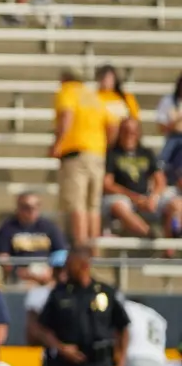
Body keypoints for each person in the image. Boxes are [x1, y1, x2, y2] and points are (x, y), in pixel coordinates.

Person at [54, 71, 112, 245]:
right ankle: (93, 250)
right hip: (97, 153)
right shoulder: (93, 96)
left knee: (77, 204)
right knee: (93, 206)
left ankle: (81, 250)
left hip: (75, 152)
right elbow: (111, 125)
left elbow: (67, 117)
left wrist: (57, 143)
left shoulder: (67, 91)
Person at [103, 117, 178, 238]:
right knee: (118, 205)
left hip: (146, 198)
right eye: (125, 131)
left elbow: (160, 180)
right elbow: (107, 184)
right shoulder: (112, 153)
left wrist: (153, 197)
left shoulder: (146, 152)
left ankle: (169, 249)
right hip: (125, 198)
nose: (129, 135)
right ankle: (150, 233)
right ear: (120, 133)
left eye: (133, 131)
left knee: (176, 203)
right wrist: (134, 198)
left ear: (138, 133)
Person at [0, 193, 68, 277]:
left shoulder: (50, 227)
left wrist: (52, 272)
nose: (31, 210)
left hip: (46, 275)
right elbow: (3, 256)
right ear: (18, 208)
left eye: (35, 207)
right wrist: (19, 272)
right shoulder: (7, 229)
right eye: (26, 207)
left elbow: (60, 252)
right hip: (18, 278)